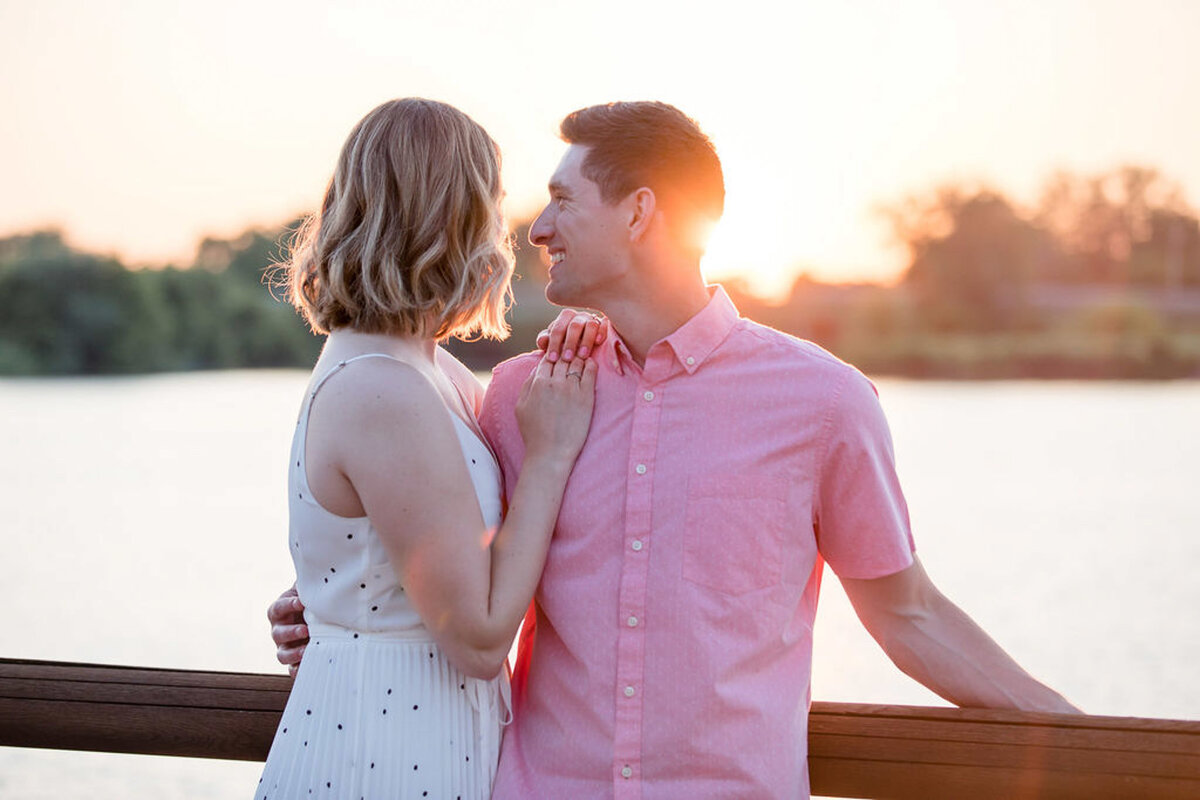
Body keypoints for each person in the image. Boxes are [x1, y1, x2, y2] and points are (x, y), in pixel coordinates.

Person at [271, 101, 1079, 798]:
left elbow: (910, 612)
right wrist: (332, 599)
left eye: (560, 200)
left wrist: (1084, 736)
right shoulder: (521, 398)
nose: (536, 228)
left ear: (639, 213)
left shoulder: (825, 403)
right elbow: (429, 537)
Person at [254, 98, 600, 800]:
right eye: (493, 203)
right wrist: (550, 456)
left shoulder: (429, 367)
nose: (509, 230)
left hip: (430, 732)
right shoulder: (382, 387)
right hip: (381, 749)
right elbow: (476, 641)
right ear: (454, 216)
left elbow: (394, 557)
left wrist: (327, 601)